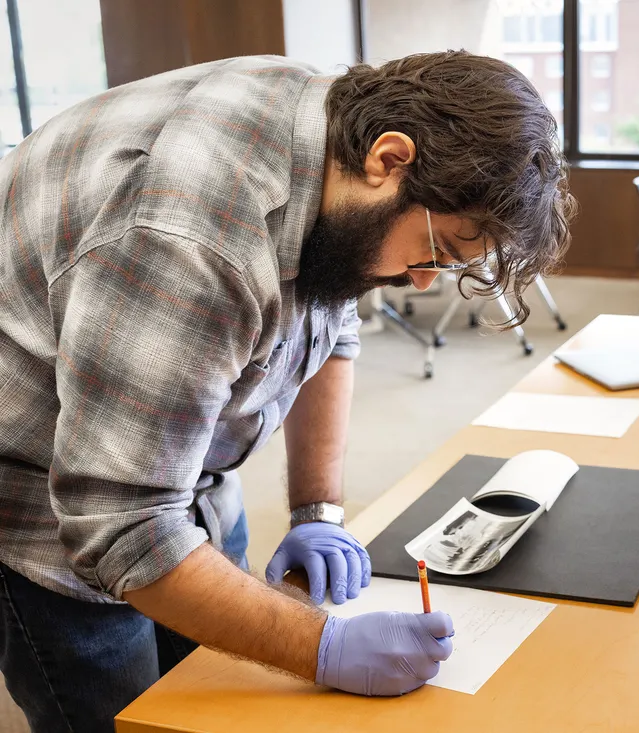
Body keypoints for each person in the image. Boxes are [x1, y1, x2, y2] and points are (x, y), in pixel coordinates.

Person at [0, 51, 573, 731]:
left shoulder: (338, 139)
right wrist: (324, 648)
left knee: (223, 695)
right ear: (391, 159)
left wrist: (317, 512)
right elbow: (122, 527)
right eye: (436, 251)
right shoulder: (190, 236)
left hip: (186, 474)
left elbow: (335, 326)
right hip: (49, 500)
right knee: (129, 715)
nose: (423, 281)